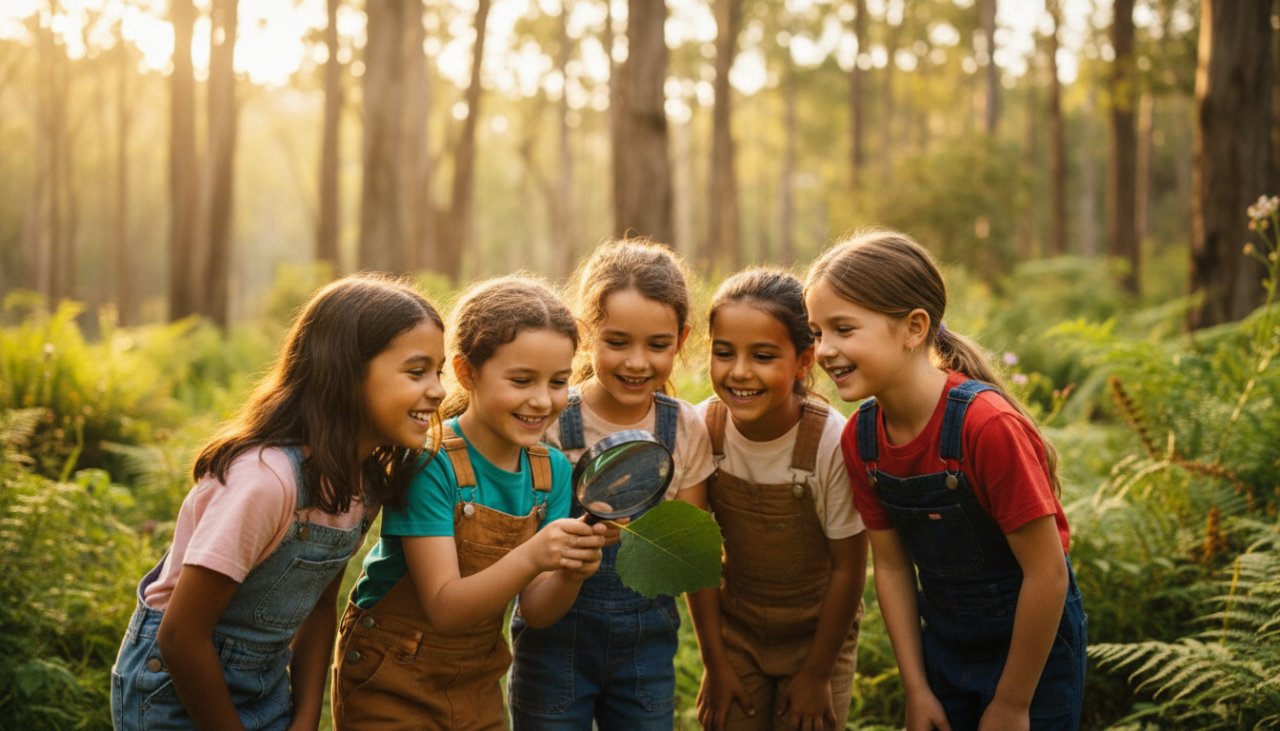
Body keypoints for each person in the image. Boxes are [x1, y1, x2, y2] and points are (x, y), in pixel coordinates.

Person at [111, 273, 446, 730]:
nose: (439, 390)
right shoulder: (266, 481)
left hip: (266, 688)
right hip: (178, 694)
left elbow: (319, 604)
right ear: (347, 375)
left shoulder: (362, 484)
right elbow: (181, 636)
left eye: (439, 371)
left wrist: (306, 718)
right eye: (416, 371)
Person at [804, 229, 1086, 731]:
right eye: (817, 332)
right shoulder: (861, 439)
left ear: (914, 328)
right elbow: (891, 570)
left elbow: (1048, 574)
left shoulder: (986, 426)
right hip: (945, 649)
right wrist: (916, 687)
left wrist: (1014, 702)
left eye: (843, 329)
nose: (824, 350)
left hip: (1032, 654)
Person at [331, 275, 605, 731]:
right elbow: (444, 606)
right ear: (466, 372)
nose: (542, 400)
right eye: (521, 380)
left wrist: (571, 570)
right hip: (392, 677)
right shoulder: (429, 464)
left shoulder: (552, 471)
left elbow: (537, 611)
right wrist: (536, 554)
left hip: (476, 679)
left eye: (559, 382)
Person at [507, 239, 717, 730]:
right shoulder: (551, 421)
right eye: (617, 342)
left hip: (645, 651)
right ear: (584, 335)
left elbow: (690, 557)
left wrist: (716, 660)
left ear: (682, 338)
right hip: (554, 643)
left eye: (658, 345)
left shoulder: (685, 429)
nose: (636, 362)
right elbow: (525, 544)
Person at [692, 268, 869, 730]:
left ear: (804, 360)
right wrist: (715, 661)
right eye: (723, 352)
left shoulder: (830, 441)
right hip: (736, 630)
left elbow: (850, 569)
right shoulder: (701, 431)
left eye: (764, 355)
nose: (739, 372)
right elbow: (698, 557)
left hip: (819, 634)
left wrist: (815, 675)